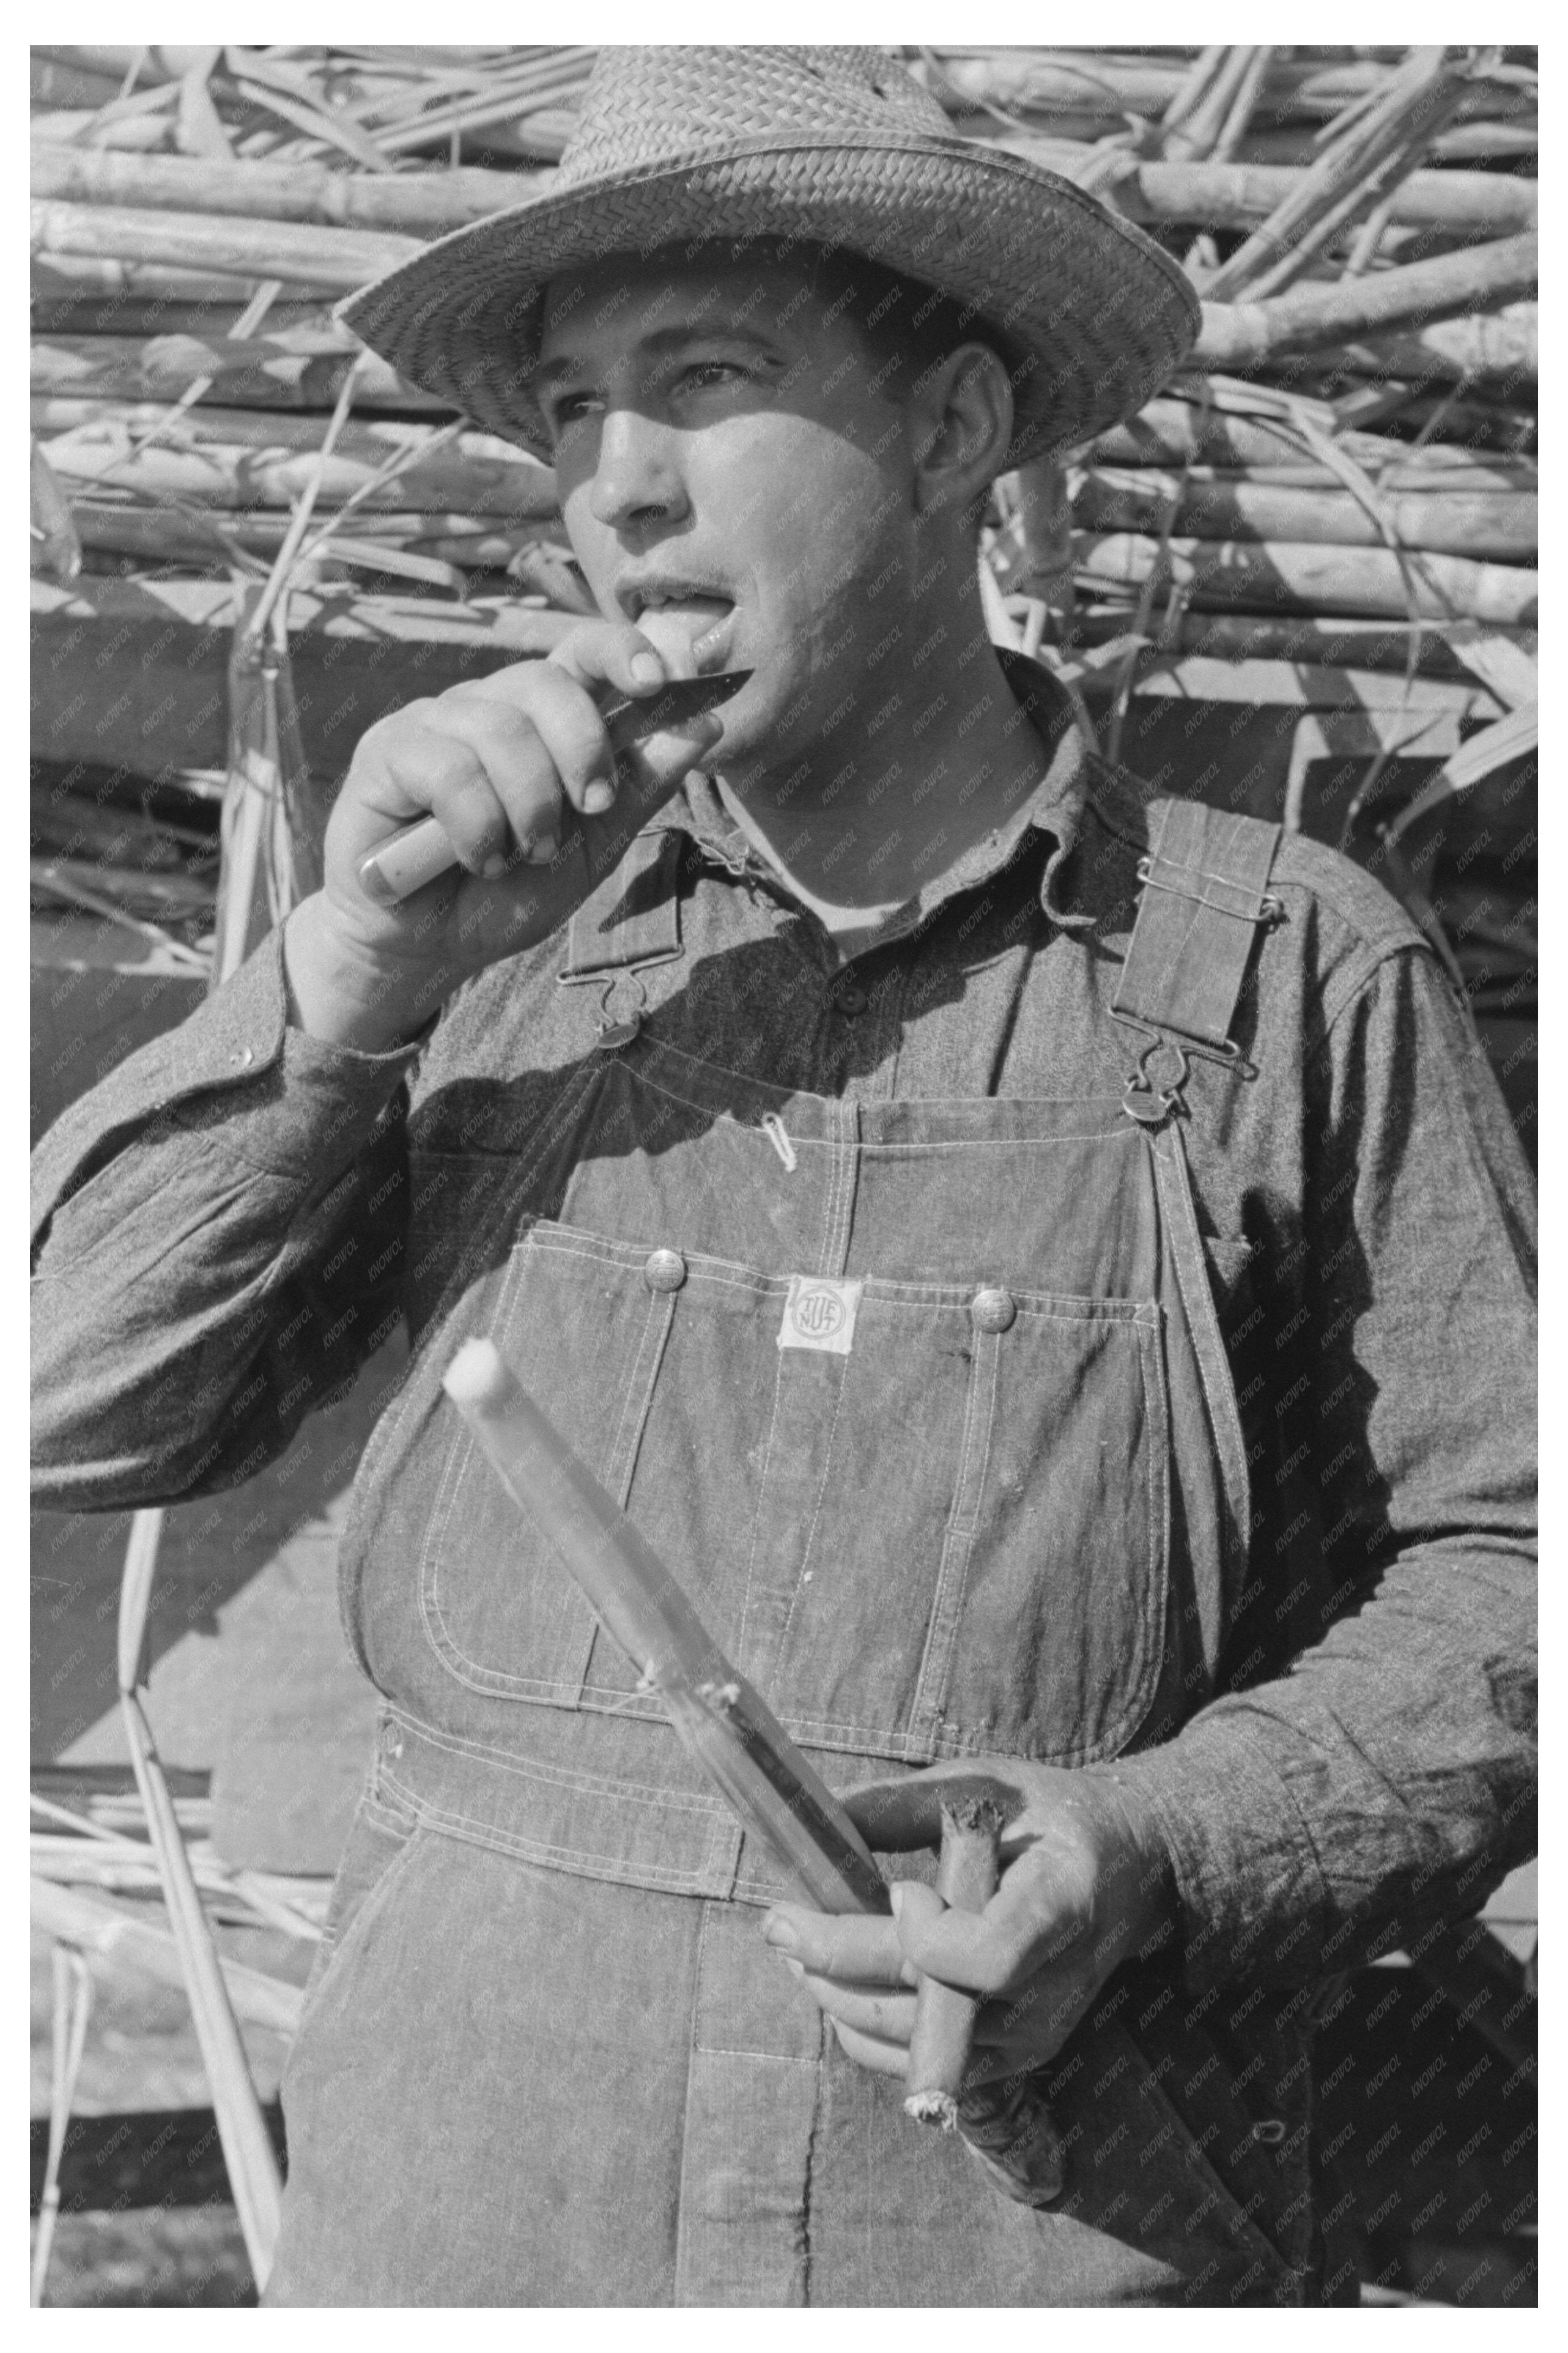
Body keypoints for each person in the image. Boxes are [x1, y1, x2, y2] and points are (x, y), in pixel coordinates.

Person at [31, 46, 1536, 2308]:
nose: (613, 489)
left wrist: (1144, 1847)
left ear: (946, 434)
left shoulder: (1280, 964)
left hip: (1044, 2232)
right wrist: (344, 978)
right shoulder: (499, 952)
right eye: (564, 410)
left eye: (704, 378)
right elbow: (69, 1408)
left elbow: (1516, 1574)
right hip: (465, 2226)